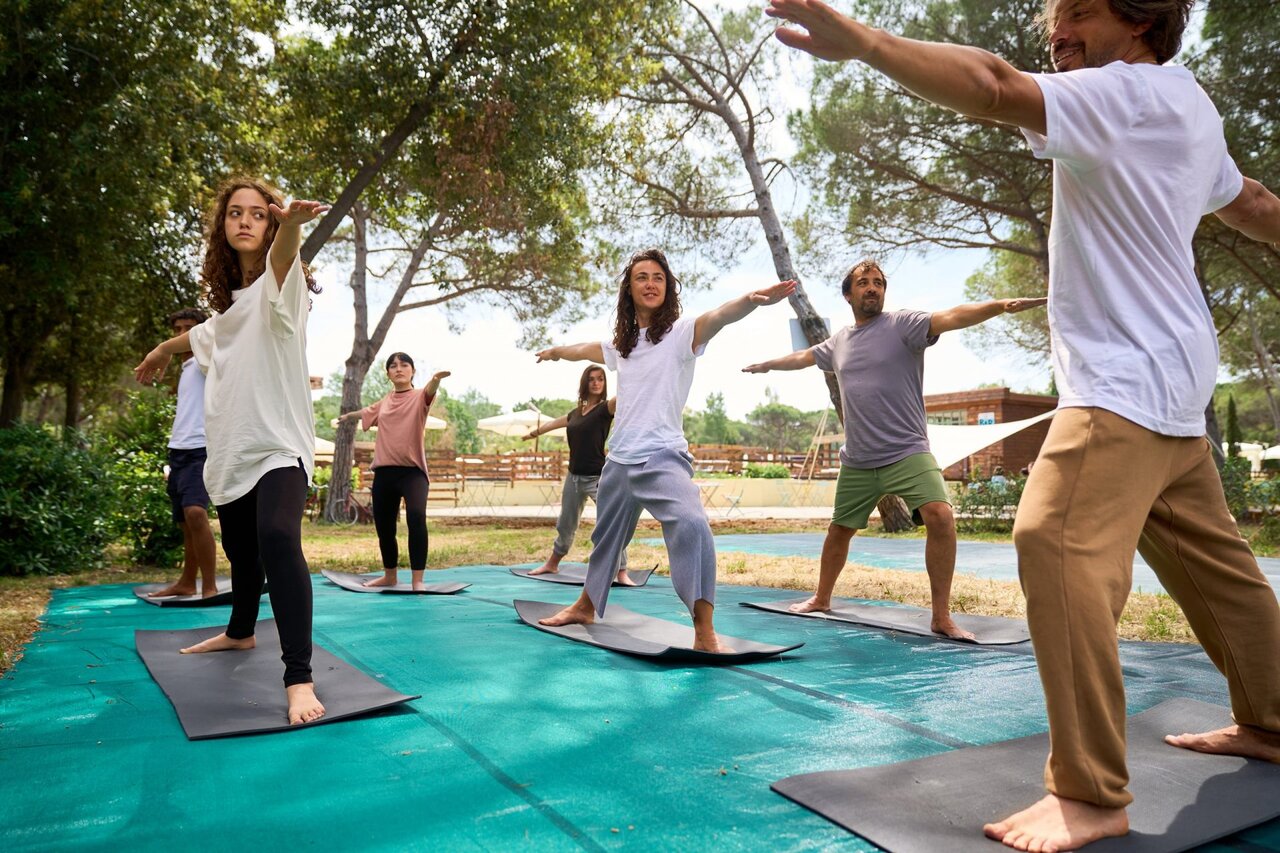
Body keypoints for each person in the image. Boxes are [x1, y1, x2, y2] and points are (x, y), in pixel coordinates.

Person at [767, 0, 1280, 849]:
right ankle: (1270, 719)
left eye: (1080, 10)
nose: (1059, 28)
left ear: (1140, 19)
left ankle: (1089, 789)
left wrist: (865, 41)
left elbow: (994, 86)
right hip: (1179, 381)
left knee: (1050, 536)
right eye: (1056, 13)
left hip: (1121, 383)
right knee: (1216, 567)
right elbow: (1253, 201)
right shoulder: (1188, 102)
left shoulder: (1123, 93)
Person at [744, 259, 1045, 640]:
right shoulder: (838, 342)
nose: (872, 288)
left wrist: (999, 306)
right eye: (864, 283)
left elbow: (951, 316)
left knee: (939, 516)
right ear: (848, 294)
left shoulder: (903, 325)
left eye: (878, 283)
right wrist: (768, 365)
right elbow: (804, 357)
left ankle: (941, 616)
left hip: (907, 451)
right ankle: (821, 598)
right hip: (859, 458)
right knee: (840, 530)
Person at [135, 176, 330, 726]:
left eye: (258, 214)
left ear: (269, 225)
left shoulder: (280, 286)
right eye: (234, 214)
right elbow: (197, 338)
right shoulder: (223, 318)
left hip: (280, 446)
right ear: (222, 229)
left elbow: (286, 261)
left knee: (275, 538)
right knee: (243, 554)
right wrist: (161, 350)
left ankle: (299, 677)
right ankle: (241, 632)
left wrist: (290, 227)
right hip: (232, 451)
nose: (245, 220)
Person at [533, 248, 796, 652]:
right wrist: (555, 352)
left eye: (658, 277)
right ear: (630, 288)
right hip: (619, 459)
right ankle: (585, 606)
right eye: (642, 277)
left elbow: (719, 316)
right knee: (606, 538)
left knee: (692, 525)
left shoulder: (680, 334)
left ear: (667, 286)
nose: (651, 283)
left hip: (662, 456)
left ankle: (704, 629)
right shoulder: (622, 344)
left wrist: (750, 301)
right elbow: (584, 348)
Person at [336, 353, 449, 590]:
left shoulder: (420, 398)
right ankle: (390, 576)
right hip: (385, 472)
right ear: (388, 374)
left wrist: (436, 379)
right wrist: (347, 416)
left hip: (413, 472)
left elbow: (430, 391)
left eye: (404, 365)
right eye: (393, 366)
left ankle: (417, 581)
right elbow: (366, 412)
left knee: (416, 517)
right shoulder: (385, 402)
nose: (398, 369)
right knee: (384, 526)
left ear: (412, 371)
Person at [520, 365, 639, 585]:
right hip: (573, 478)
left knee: (611, 522)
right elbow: (554, 423)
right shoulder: (575, 413)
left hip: (598, 478)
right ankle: (553, 563)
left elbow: (627, 393)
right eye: (592, 379)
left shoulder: (606, 409)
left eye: (600, 379)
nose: (596, 383)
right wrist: (533, 434)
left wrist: (639, 370)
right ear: (585, 383)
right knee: (566, 523)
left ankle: (621, 571)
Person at [147, 308, 219, 599]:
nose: (181, 335)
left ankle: (210, 587)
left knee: (196, 513)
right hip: (178, 449)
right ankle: (187, 582)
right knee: (184, 521)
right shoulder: (186, 368)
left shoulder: (209, 360)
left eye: (188, 328)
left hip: (201, 449)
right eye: (176, 329)